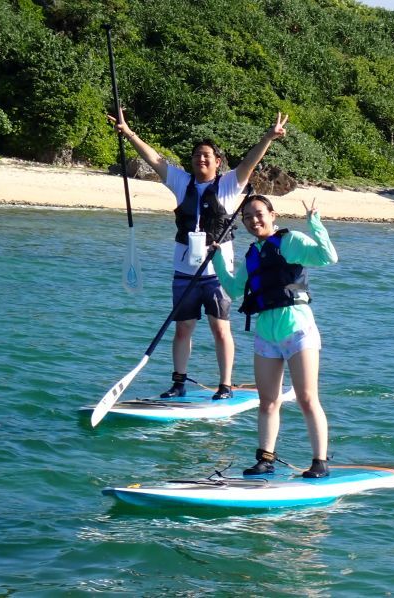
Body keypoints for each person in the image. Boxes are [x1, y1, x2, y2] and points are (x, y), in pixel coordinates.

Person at [108, 111, 289, 400]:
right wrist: (128, 133)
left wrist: (268, 137)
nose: (200, 160)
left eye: (206, 156)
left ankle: (225, 385)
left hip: (217, 274)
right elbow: (155, 160)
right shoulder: (182, 183)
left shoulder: (230, 185)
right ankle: (178, 382)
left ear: (218, 162)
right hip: (184, 271)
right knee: (183, 329)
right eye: (196, 156)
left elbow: (250, 162)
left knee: (220, 330)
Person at [211, 195, 338, 478]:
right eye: (247, 217)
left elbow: (328, 256)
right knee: (268, 401)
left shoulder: (290, 241)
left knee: (306, 397)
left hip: (298, 329)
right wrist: (218, 258)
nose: (254, 221)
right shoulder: (252, 254)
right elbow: (233, 289)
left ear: (272, 215)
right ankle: (265, 459)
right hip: (266, 333)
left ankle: (319, 461)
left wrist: (315, 223)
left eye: (259, 214)